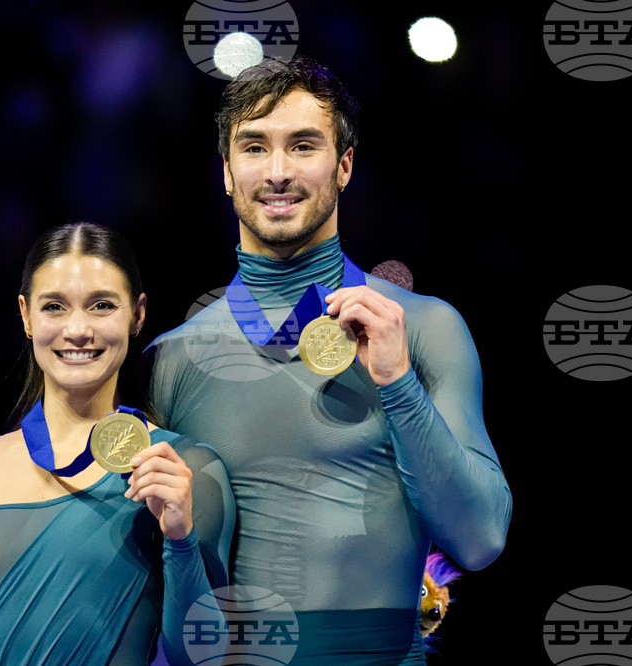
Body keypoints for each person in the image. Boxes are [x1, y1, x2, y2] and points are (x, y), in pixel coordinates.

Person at [144, 56, 512, 664]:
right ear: (228, 174)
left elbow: (479, 539)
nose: (279, 171)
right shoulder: (170, 358)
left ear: (343, 166)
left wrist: (396, 383)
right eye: (255, 148)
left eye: (304, 145)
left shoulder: (425, 329)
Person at [0, 223, 234, 666]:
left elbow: (205, 659)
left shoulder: (183, 470)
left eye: (102, 305)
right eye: (55, 307)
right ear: (26, 316)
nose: (78, 329)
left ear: (137, 314)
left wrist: (179, 538)